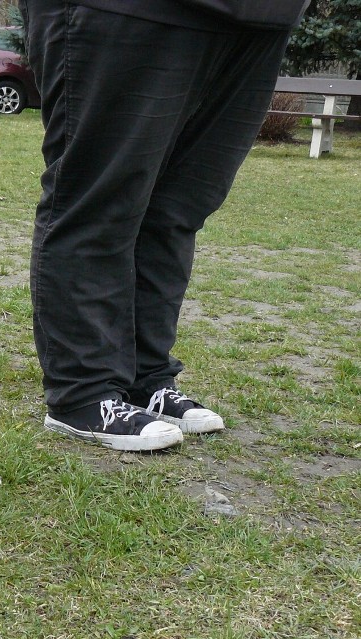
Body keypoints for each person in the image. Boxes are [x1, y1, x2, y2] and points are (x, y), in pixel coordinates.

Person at [18, 0, 310, 452]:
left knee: (177, 209)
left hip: (261, 17)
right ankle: (84, 391)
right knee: (100, 200)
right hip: (130, 10)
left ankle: (144, 377)